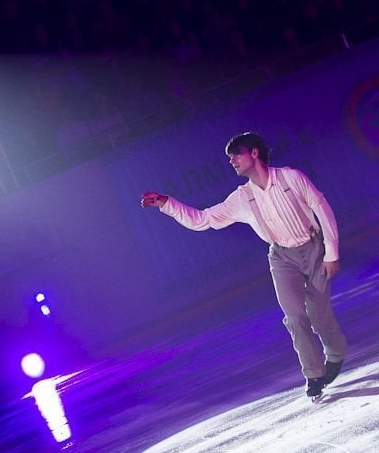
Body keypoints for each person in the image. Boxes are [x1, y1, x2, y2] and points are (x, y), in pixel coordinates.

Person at [141, 132, 346, 399]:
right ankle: (313, 375)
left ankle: (336, 352)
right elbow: (203, 220)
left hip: (315, 249)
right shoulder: (242, 198)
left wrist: (332, 252)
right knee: (295, 317)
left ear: (254, 153)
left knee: (319, 316)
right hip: (282, 258)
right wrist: (167, 204)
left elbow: (322, 208)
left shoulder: (290, 177)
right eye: (230, 157)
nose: (231, 160)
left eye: (236, 154)